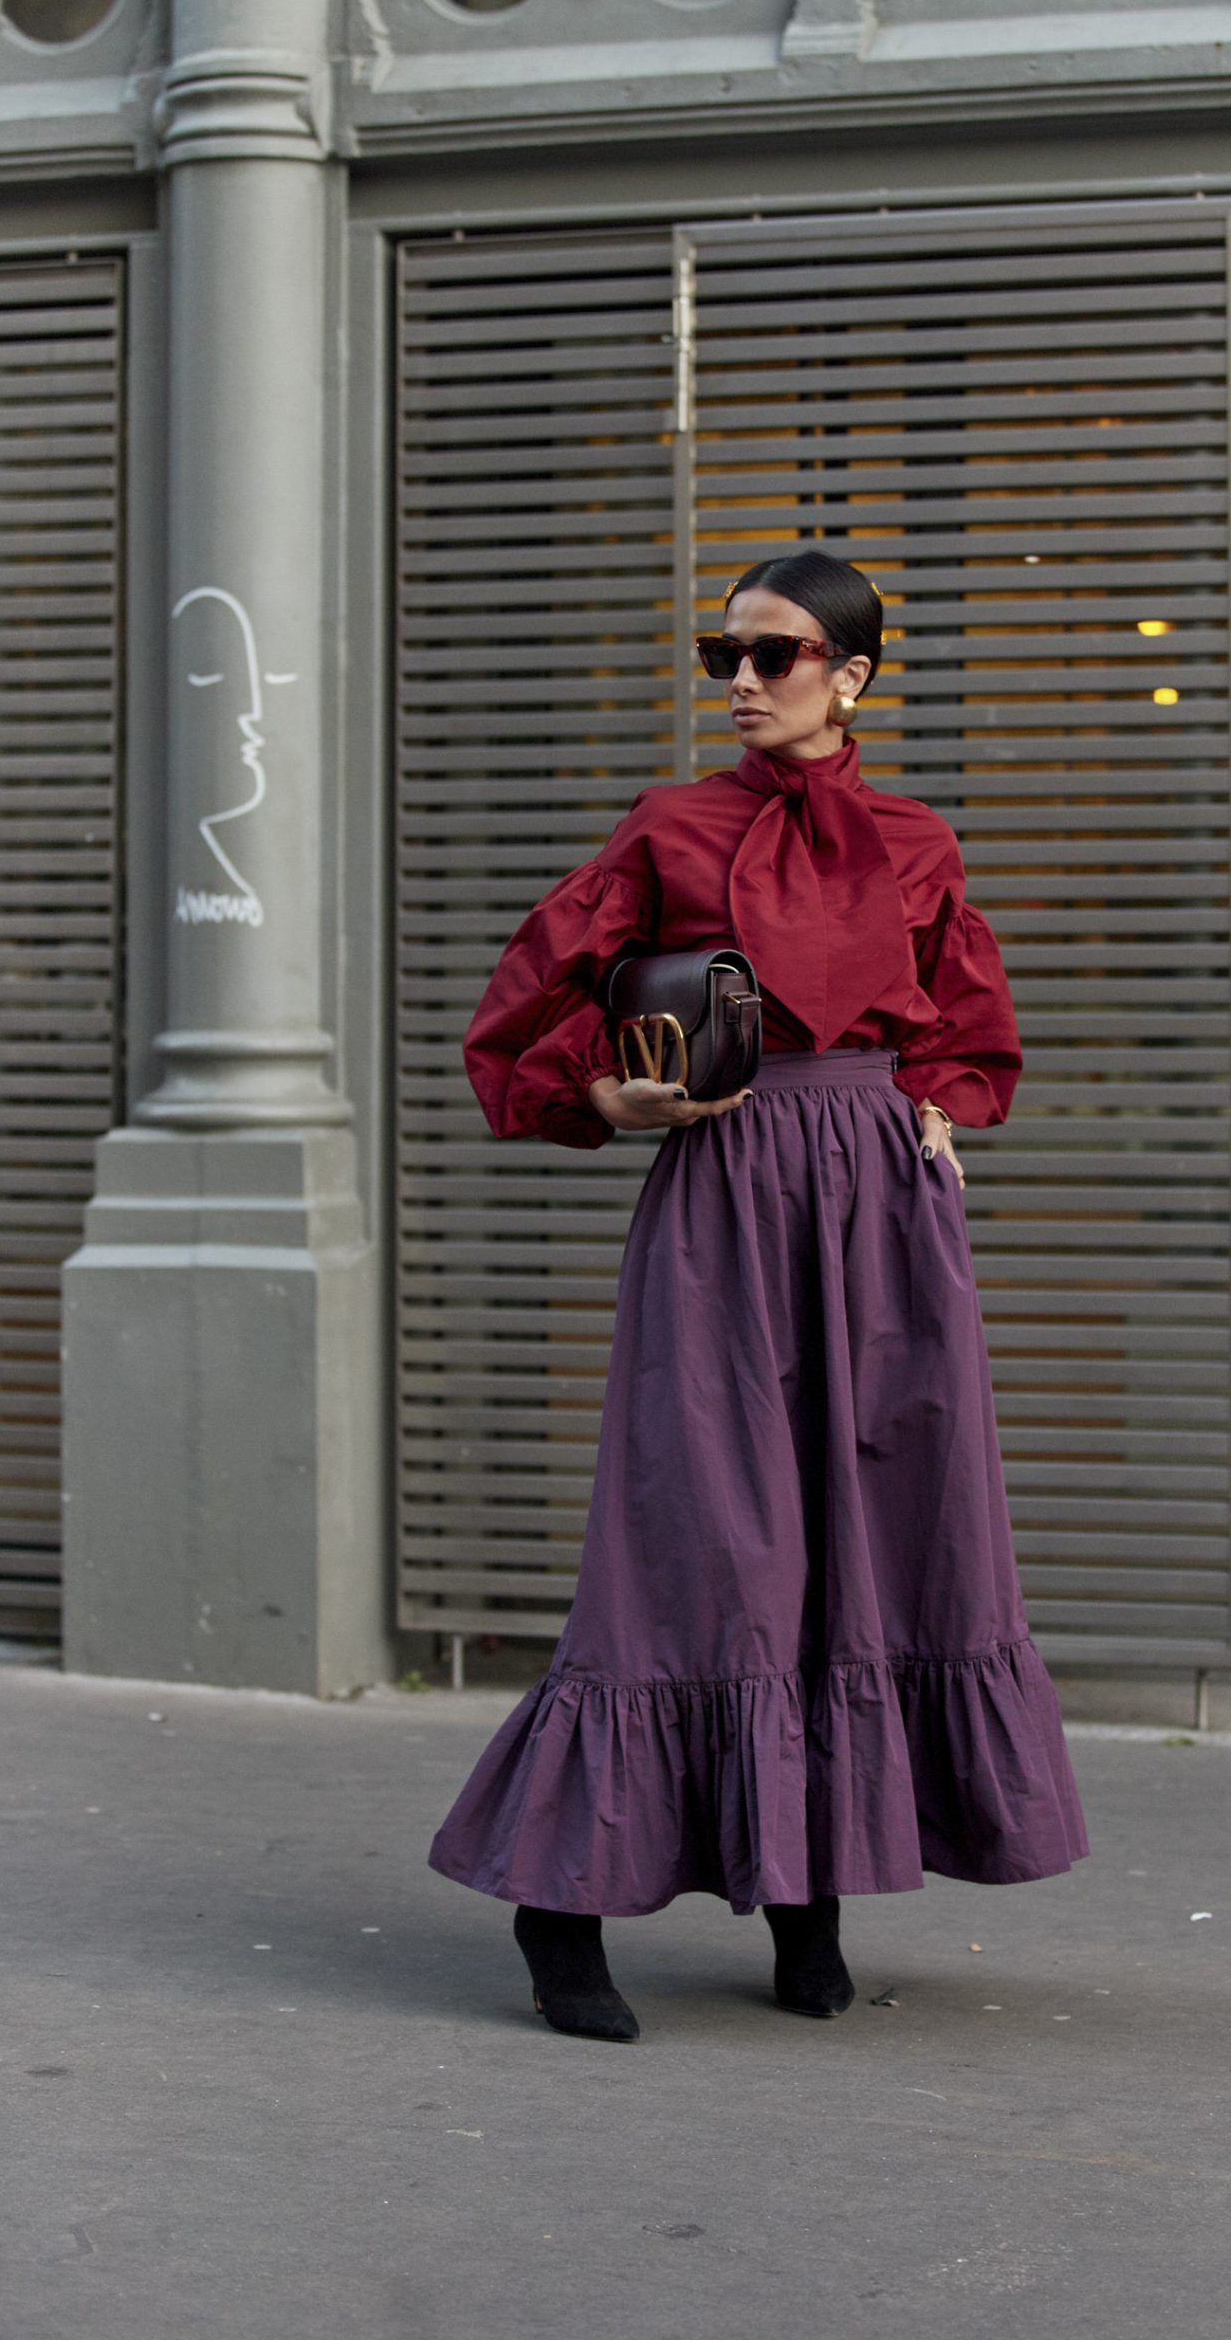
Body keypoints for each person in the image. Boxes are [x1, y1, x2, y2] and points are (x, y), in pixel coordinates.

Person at [428, 550, 1088, 2041]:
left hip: (881, 1212)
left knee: (869, 1541)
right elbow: (519, 1009)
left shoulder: (920, 840)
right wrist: (607, 1094)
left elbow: (967, 1018)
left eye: (774, 656)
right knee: (696, 1548)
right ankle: (559, 1902)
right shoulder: (668, 829)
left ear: (852, 676)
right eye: (723, 653)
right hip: (726, 1199)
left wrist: (937, 1105)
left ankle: (812, 1899)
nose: (739, 680)